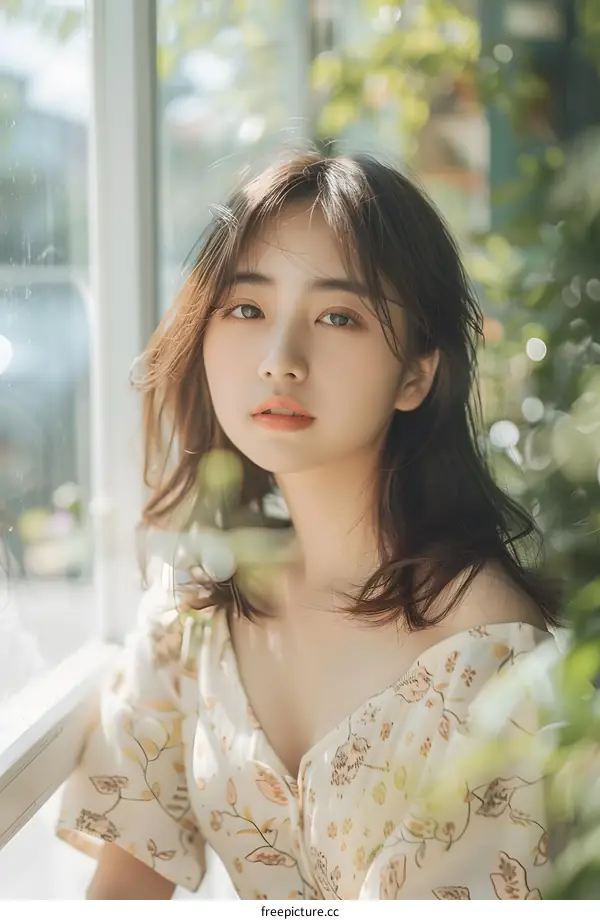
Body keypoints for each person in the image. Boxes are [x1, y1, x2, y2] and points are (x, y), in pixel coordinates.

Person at [55, 152, 563, 900]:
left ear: (417, 374)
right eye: (247, 308)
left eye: (338, 317)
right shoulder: (196, 607)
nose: (280, 360)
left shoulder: (484, 648)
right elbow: (123, 891)